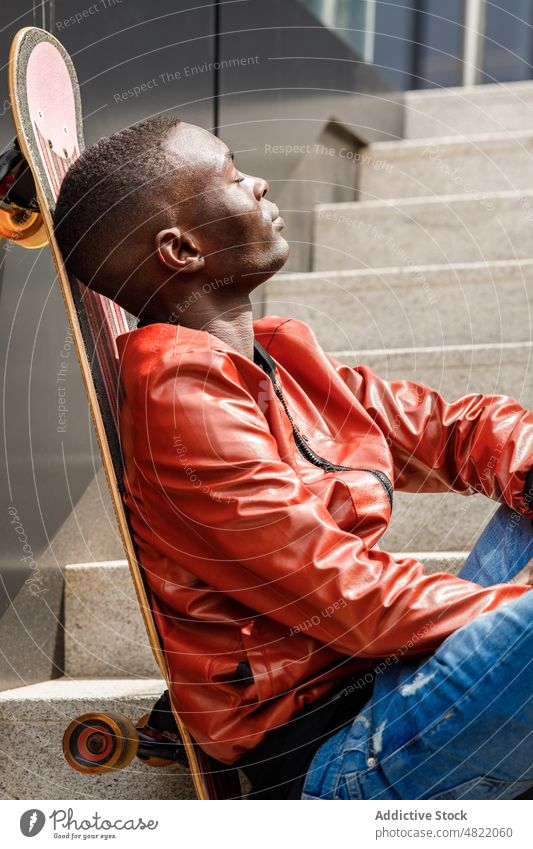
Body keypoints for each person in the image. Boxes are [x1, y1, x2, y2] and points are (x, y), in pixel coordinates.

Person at [53, 116, 533, 800]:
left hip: (396, 686)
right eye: (232, 176)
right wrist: (514, 610)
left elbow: (453, 431)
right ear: (181, 248)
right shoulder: (179, 402)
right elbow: (350, 597)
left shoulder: (275, 359)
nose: (259, 182)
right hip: (341, 754)